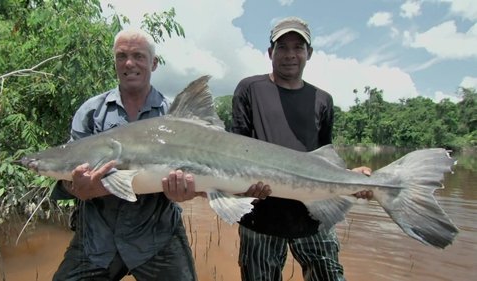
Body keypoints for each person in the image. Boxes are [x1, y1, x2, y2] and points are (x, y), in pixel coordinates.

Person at [50, 29, 200, 281]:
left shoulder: (174, 115)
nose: (129, 63)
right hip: (98, 238)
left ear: (154, 63)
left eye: (138, 56)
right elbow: (69, 169)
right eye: (122, 56)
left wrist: (188, 192)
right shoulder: (91, 112)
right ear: (115, 63)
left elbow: (202, 177)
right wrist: (77, 188)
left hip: (157, 236)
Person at [231, 17, 372, 281]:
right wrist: (239, 187)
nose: (290, 55)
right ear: (270, 52)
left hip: (313, 216)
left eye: (298, 47)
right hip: (260, 217)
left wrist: (351, 177)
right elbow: (235, 150)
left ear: (309, 53)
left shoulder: (323, 100)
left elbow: (324, 157)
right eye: (282, 47)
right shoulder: (249, 89)